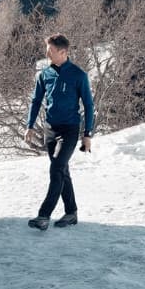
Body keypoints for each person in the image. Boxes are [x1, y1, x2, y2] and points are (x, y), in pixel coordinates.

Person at [24, 33, 95, 230]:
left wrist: (87, 134)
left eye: (50, 50)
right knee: (62, 170)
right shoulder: (44, 75)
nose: (47, 53)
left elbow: (89, 105)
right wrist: (29, 125)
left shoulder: (79, 75)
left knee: (56, 169)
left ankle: (43, 215)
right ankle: (71, 213)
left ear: (63, 52)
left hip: (70, 129)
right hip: (50, 130)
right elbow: (36, 101)